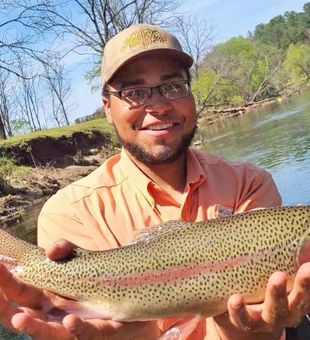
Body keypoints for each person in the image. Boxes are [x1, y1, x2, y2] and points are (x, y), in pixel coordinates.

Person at [0, 23, 310, 340]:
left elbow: (261, 315)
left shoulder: (250, 182)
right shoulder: (69, 213)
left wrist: (254, 333)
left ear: (190, 94)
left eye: (173, 86)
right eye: (134, 93)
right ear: (107, 108)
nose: (159, 105)